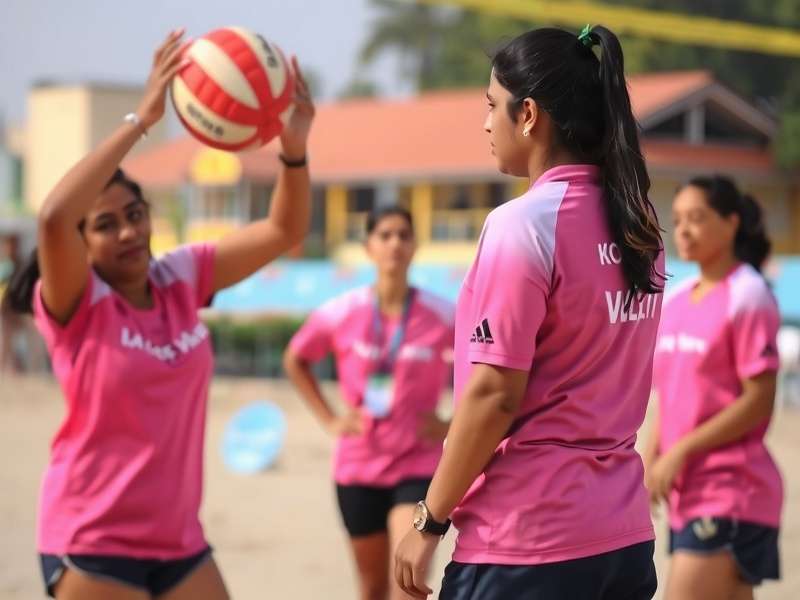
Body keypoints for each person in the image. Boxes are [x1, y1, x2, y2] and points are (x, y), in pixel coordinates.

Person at [1, 28, 315, 599]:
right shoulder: (78, 300)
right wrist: (141, 121)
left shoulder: (180, 277)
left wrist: (292, 148)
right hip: (92, 539)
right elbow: (51, 217)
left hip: (179, 542)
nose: (128, 231)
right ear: (82, 243)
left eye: (136, 214)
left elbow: (283, 230)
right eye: (105, 224)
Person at [394, 25, 665, 599]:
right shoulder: (641, 227)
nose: (486, 123)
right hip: (623, 539)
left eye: (492, 105)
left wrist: (430, 519)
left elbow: (495, 395)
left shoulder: (523, 225)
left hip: (526, 541)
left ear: (529, 115)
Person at [284, 206, 455, 600]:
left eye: (404, 235)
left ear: (415, 246)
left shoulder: (443, 314)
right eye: (385, 235)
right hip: (358, 468)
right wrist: (330, 420)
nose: (395, 243)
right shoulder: (342, 310)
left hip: (417, 466)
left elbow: (483, 369)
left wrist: (450, 423)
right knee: (372, 587)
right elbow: (296, 359)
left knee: (406, 586)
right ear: (368, 247)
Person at [645, 175, 782, 600]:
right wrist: (652, 460)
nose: (683, 229)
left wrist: (681, 451)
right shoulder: (677, 298)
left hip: (731, 490)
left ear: (732, 223)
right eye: (679, 219)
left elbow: (759, 401)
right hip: (688, 493)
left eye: (698, 218)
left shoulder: (748, 294)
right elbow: (669, 396)